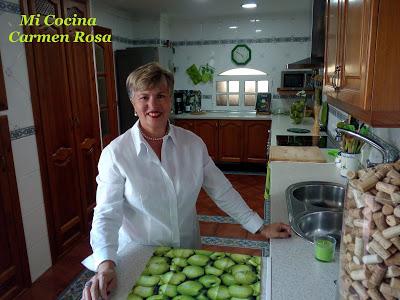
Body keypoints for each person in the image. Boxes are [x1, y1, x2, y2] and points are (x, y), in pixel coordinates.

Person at [81, 62, 291, 300]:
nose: (153, 105)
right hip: (140, 253)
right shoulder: (116, 154)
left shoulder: (192, 144)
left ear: (170, 99)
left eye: (160, 95)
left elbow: (221, 190)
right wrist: (106, 264)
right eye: (144, 97)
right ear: (133, 103)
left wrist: (260, 226)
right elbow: (106, 214)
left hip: (188, 249)